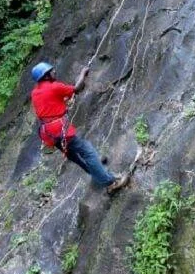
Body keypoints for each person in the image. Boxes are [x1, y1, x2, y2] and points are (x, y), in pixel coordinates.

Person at [30, 62, 129, 194]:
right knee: (87, 151)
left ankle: (99, 172)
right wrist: (83, 73)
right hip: (59, 129)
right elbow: (78, 88)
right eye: (51, 71)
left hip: (49, 134)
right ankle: (111, 183)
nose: (55, 72)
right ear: (46, 76)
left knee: (76, 156)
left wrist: (62, 103)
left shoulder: (35, 92)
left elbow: (49, 104)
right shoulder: (54, 87)